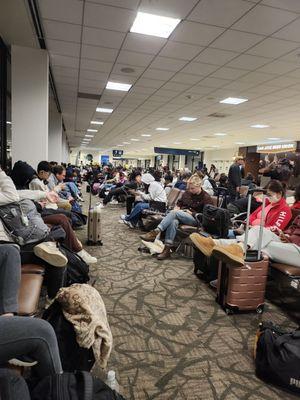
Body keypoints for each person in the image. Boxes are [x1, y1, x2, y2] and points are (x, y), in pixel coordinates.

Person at [140, 175, 213, 260]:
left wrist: (192, 213)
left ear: (199, 186)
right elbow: (180, 202)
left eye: (192, 188)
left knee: (175, 213)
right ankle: (167, 250)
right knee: (173, 221)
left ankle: (156, 231)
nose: (190, 190)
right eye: (189, 188)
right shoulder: (188, 193)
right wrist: (177, 207)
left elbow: (207, 216)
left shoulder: (206, 198)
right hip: (181, 214)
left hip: (195, 219)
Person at [190, 213, 300, 269]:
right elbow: (292, 229)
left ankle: (219, 244)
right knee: (259, 230)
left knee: (261, 243)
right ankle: (216, 244)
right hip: (288, 244)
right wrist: (285, 234)